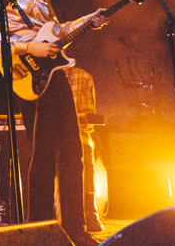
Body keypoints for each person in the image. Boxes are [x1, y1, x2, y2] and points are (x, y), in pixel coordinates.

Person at [0, 0, 107, 246]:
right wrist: (28, 48)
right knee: (43, 154)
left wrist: (88, 20)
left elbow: (56, 32)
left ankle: (76, 228)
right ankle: (39, 229)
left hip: (56, 75)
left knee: (74, 152)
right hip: (28, 78)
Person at [66, 65, 105, 232]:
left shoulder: (83, 77)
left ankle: (88, 212)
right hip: (50, 133)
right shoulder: (40, 77)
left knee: (84, 149)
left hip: (76, 132)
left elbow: (88, 118)